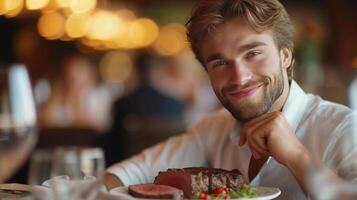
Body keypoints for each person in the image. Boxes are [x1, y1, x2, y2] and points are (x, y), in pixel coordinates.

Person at [104, 0, 357, 199]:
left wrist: (297, 156)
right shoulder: (213, 129)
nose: (239, 77)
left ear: (286, 56)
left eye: (253, 53)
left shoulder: (345, 129)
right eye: (220, 62)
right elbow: (124, 175)